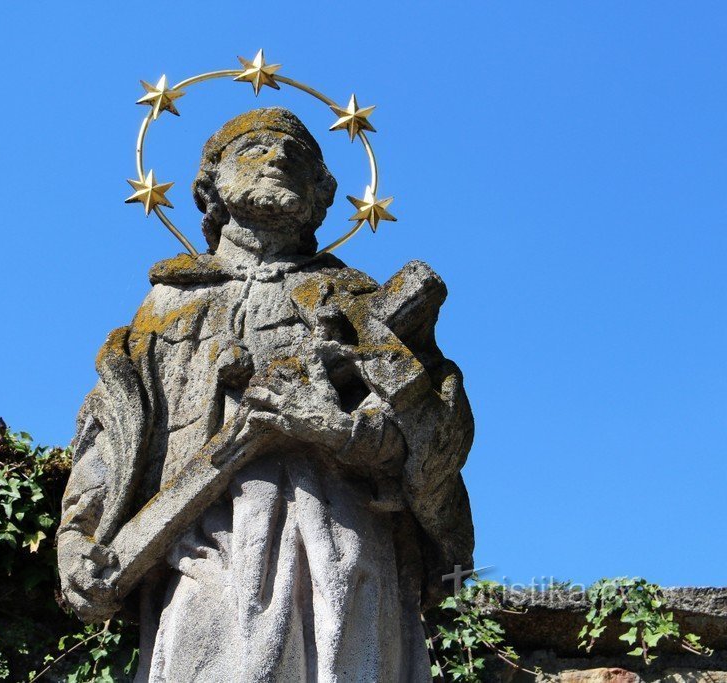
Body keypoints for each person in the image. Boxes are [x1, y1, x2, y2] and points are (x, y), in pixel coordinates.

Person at [58, 107, 474, 682]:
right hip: (198, 535)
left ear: (323, 192)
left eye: (297, 155)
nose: (277, 157)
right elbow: (112, 431)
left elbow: (436, 436)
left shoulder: (364, 306)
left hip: (339, 529)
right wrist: (78, 538)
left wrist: (344, 430)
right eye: (252, 147)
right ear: (211, 186)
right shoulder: (162, 311)